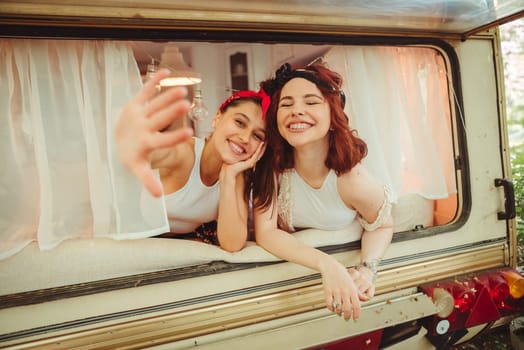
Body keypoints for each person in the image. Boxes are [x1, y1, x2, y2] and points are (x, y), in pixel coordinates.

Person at [253, 62, 393, 321]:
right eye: (286, 104)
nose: (296, 111)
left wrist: (367, 269)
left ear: (333, 115)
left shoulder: (353, 180)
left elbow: (382, 225)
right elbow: (266, 232)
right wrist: (327, 264)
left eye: (311, 102)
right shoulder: (271, 166)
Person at [116, 68, 269, 252]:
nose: (245, 138)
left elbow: (232, 244)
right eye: (239, 122)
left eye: (257, 136)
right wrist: (131, 139)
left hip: (174, 250)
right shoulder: (183, 152)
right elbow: (143, 153)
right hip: (130, 241)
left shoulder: (237, 175)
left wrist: (228, 178)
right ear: (216, 119)